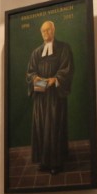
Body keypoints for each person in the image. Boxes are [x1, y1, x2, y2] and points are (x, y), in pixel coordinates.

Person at [26, 20, 74, 174]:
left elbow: (67, 69)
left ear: (54, 30)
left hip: (55, 96)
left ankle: (56, 163)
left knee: (54, 128)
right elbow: (30, 73)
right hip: (40, 96)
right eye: (43, 31)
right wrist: (38, 81)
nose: (46, 33)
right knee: (41, 127)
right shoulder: (36, 52)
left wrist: (55, 80)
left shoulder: (64, 48)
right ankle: (44, 161)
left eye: (48, 30)